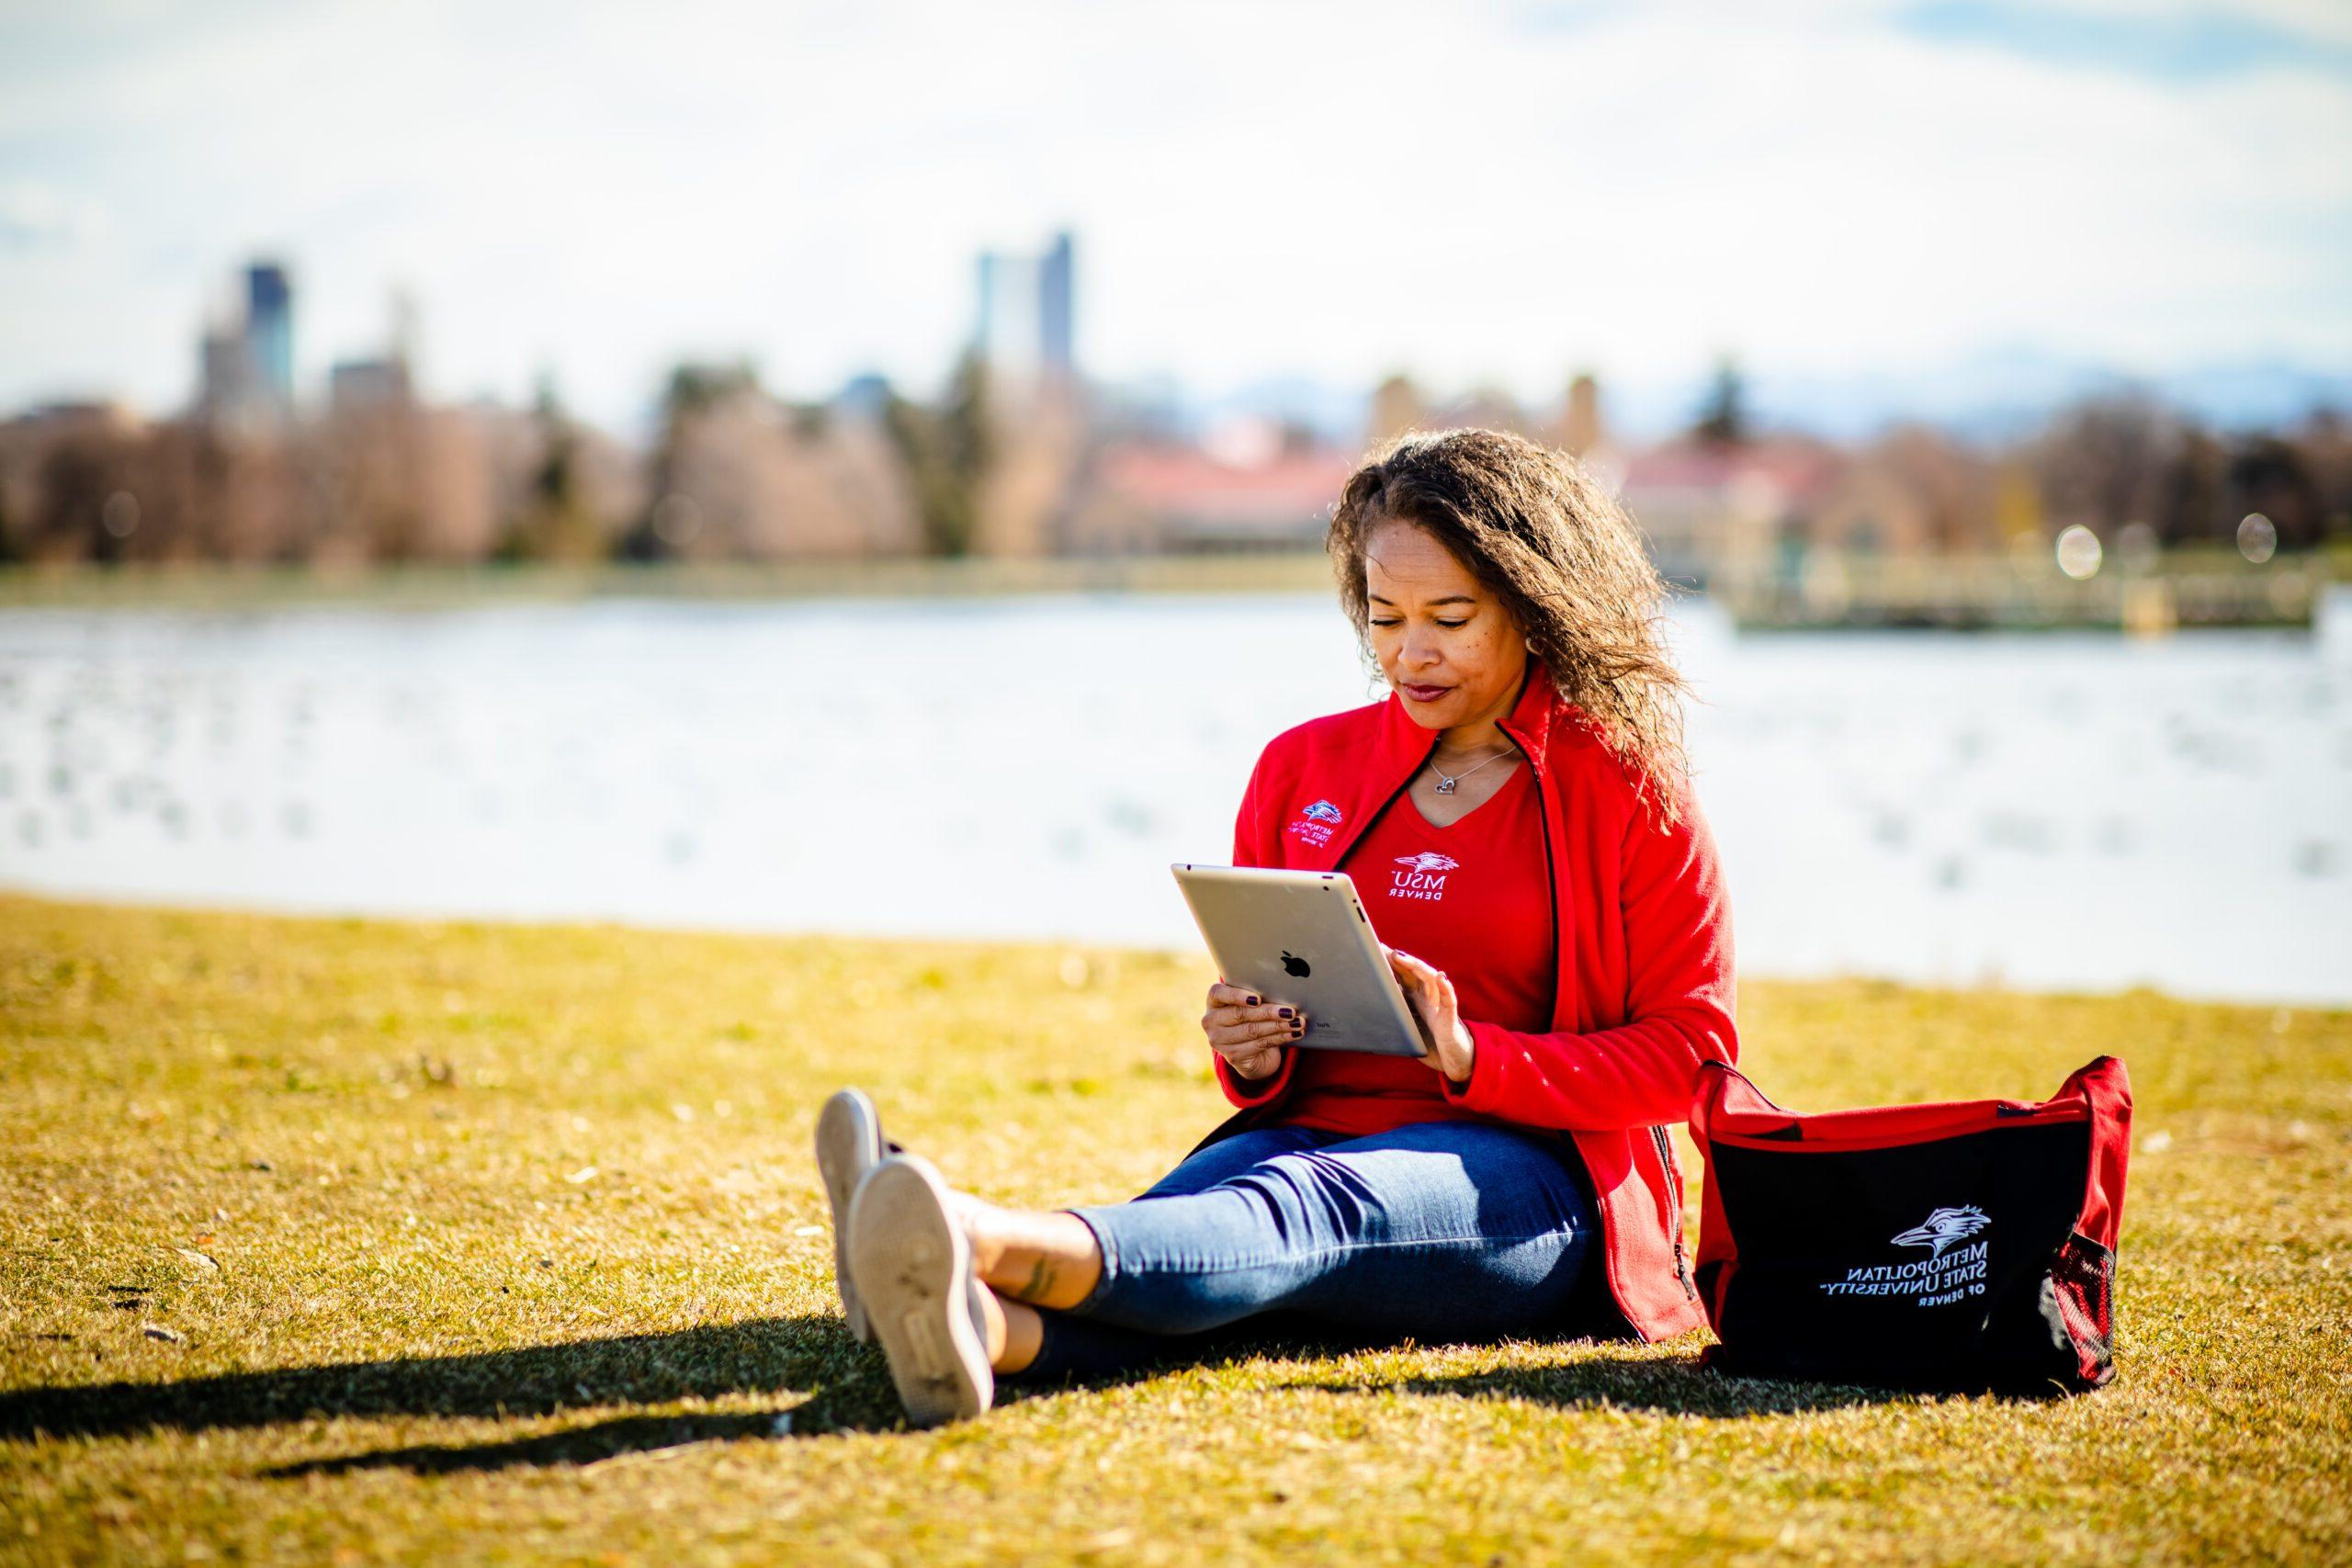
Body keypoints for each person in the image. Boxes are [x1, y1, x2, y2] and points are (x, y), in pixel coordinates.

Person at [818, 427, 1738, 1427]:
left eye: (1450, 617)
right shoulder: (1304, 770)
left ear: (1532, 603)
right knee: (1194, 1225)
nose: (1408, 652)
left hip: (1537, 1181)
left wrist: (1477, 1056)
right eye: (1383, 617)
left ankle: (965, 1234)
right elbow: (1277, 995)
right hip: (1301, 1130)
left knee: (1299, 1216)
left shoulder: (1628, 790)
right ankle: (987, 1331)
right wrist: (1250, 1051)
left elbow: (1692, 1055)